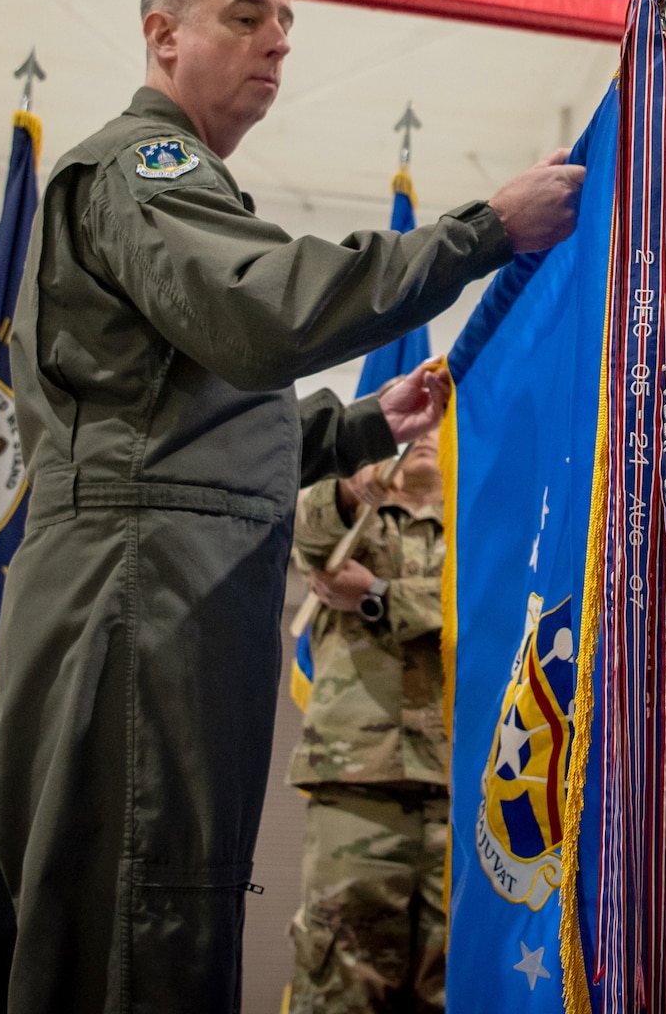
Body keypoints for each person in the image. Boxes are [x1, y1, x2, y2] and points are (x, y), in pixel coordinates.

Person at [0, 0, 584, 1013]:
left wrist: (355, 430)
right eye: (246, 16)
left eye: (286, 23)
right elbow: (262, 311)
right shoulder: (141, 168)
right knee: (138, 922)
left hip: (166, 577)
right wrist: (483, 231)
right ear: (163, 36)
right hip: (137, 585)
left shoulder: (183, 186)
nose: (277, 43)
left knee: (171, 906)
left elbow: (188, 425)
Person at [287, 431, 450, 1013]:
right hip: (357, 790)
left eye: (443, 424)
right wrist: (356, 487)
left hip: (458, 794)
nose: (429, 437)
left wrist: (378, 593)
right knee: (340, 981)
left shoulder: (477, 526)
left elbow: (480, 612)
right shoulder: (356, 522)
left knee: (451, 989)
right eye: (417, 428)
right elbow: (307, 527)